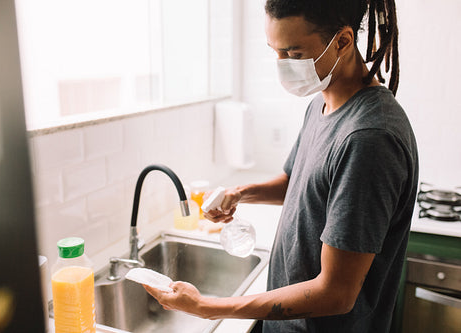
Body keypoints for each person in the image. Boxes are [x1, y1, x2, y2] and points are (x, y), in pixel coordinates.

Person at [144, 0, 419, 332]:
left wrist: (207, 307)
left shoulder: (368, 140)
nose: (282, 66)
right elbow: (300, 185)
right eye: (275, 51)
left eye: (295, 54)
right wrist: (239, 193)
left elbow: (336, 293)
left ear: (343, 42)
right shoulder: (324, 102)